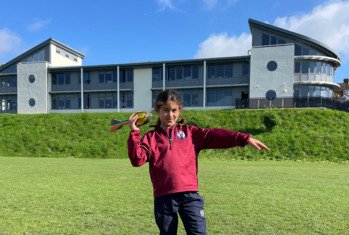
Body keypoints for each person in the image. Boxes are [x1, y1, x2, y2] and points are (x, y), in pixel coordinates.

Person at [127, 89, 269, 235]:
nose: (170, 115)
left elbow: (215, 134)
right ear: (157, 110)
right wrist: (134, 132)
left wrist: (244, 138)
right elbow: (137, 160)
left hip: (189, 195)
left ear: (180, 110)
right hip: (164, 198)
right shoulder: (150, 137)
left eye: (174, 110)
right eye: (165, 110)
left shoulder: (190, 133)